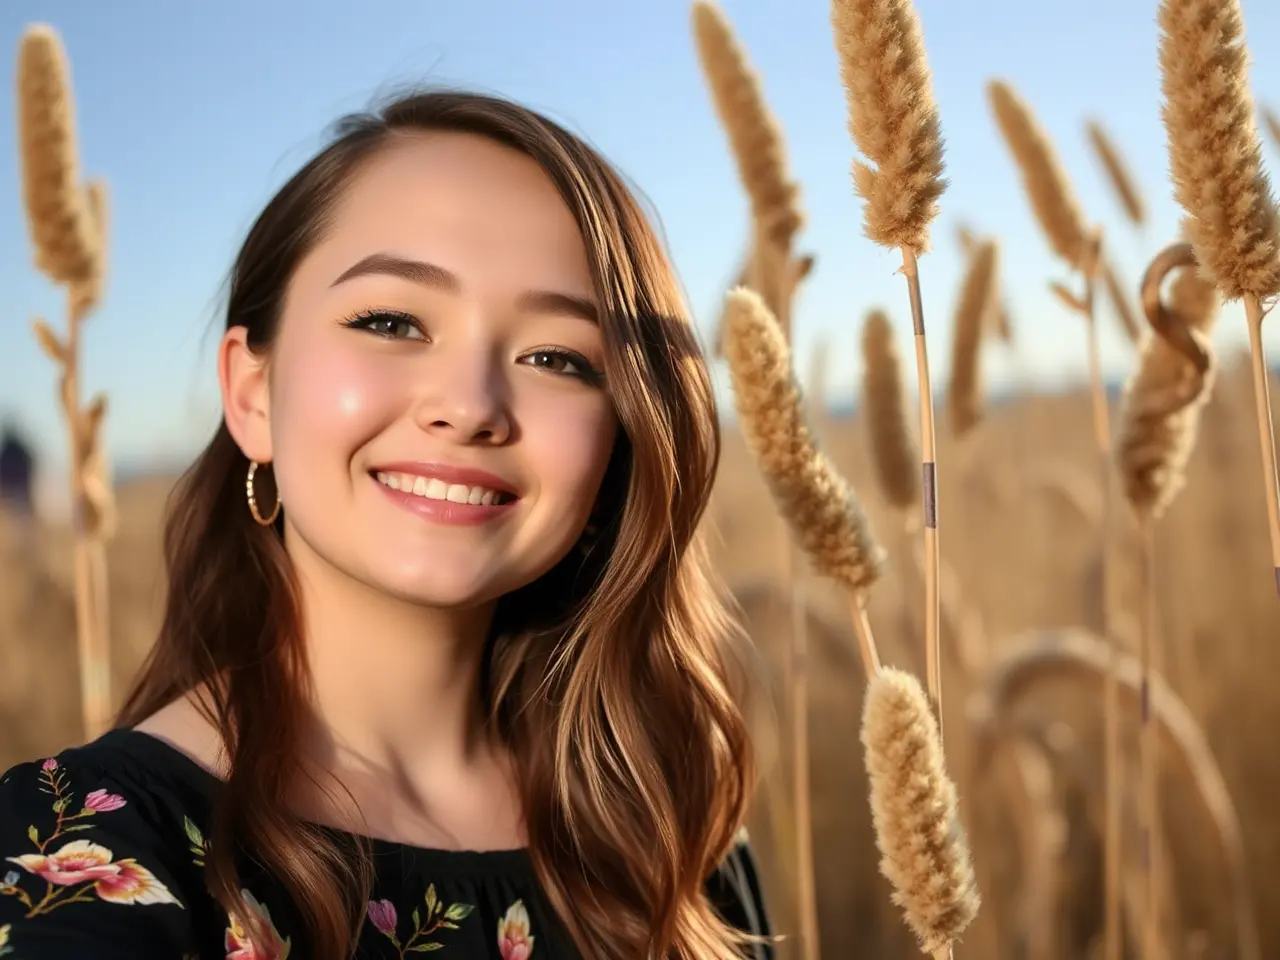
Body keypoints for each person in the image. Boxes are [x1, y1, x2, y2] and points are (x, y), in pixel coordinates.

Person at [0, 89, 775, 959]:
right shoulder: (81, 856)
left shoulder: (667, 824)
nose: (470, 405)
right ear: (252, 394)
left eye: (557, 357)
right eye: (392, 321)